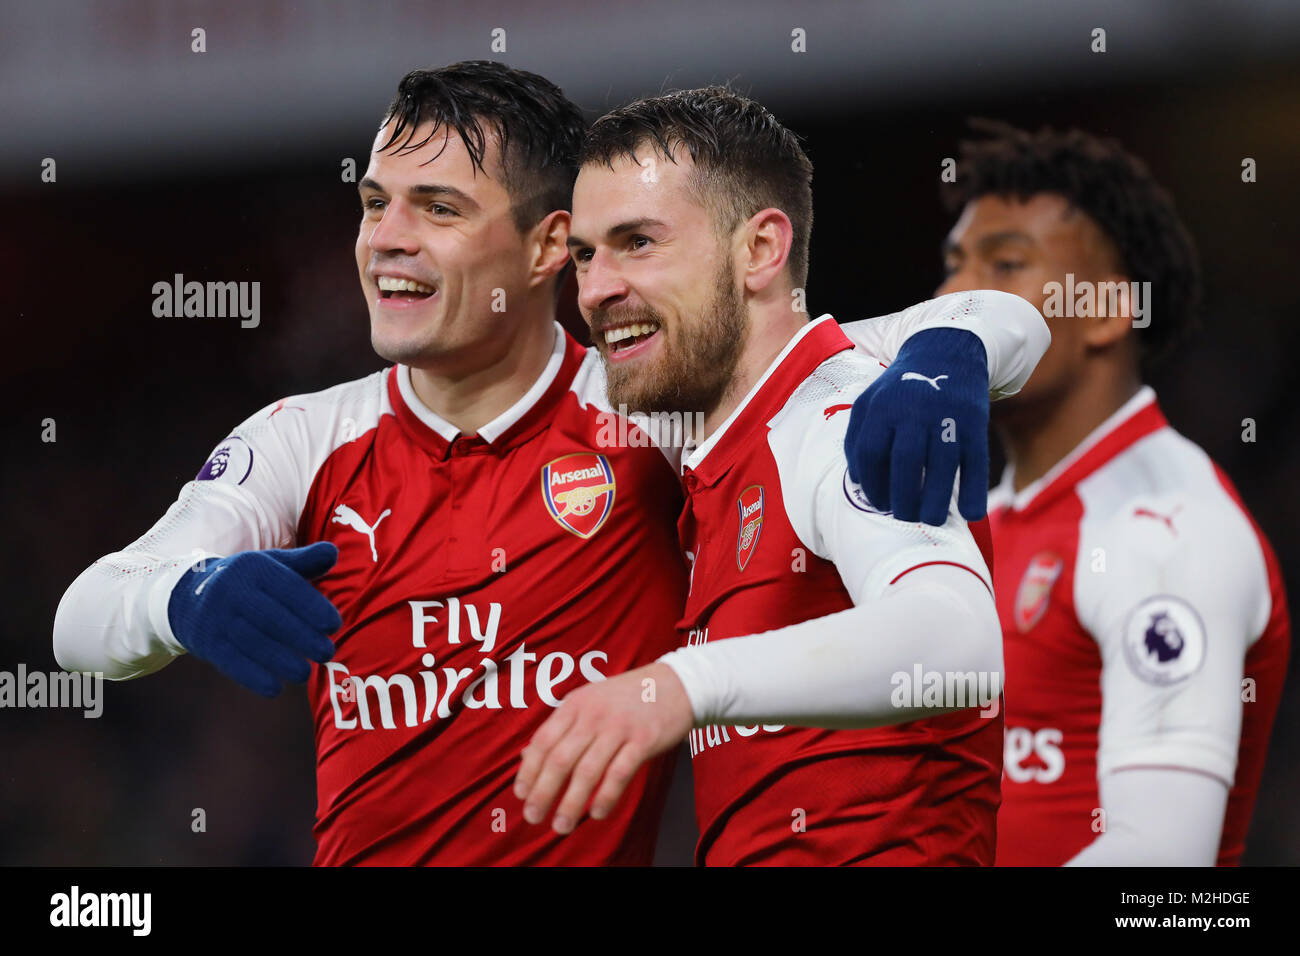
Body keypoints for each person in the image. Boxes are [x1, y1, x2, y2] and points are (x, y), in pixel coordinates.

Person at [52, 63, 1043, 866]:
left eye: (436, 208)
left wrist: (954, 343)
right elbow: (81, 620)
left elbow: (822, 357)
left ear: (541, 248)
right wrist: (177, 600)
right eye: (373, 203)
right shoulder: (303, 441)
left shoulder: (648, 414)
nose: (386, 240)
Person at [514, 88, 1050, 865]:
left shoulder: (837, 423)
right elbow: (992, 321)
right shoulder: (735, 432)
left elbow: (958, 646)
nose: (593, 290)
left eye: (638, 242)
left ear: (760, 251)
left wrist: (682, 685)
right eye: (588, 255)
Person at [930, 121, 1289, 865]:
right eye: (954, 264)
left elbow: (1161, 868)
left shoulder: (1165, 531)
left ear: (1104, 310)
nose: (954, 297)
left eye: (1004, 265)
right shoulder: (981, 522)